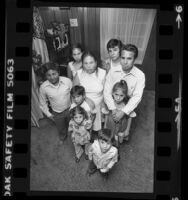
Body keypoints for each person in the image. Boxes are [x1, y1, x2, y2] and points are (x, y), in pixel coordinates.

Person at [104, 44, 145, 141]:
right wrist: (113, 108)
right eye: (123, 58)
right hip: (112, 103)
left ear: (134, 59)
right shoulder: (113, 71)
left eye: (129, 58)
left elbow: (137, 97)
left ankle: (121, 137)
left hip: (127, 106)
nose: (125, 62)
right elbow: (106, 91)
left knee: (122, 131)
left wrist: (123, 112)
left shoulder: (140, 75)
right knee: (110, 127)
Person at [39, 62, 72, 143]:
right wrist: (49, 114)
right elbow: (42, 103)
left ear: (58, 73)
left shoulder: (67, 81)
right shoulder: (43, 87)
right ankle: (62, 137)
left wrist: (74, 107)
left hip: (70, 109)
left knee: (72, 125)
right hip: (57, 113)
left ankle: (73, 137)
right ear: (45, 76)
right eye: (48, 75)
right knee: (61, 128)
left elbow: (73, 94)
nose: (52, 77)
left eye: (54, 74)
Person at [73, 51, 106, 132]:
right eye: (85, 63)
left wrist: (103, 104)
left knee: (97, 128)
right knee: (84, 129)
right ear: (82, 64)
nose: (88, 66)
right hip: (82, 104)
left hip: (99, 105)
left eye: (91, 62)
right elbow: (74, 92)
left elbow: (106, 91)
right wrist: (86, 100)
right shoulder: (79, 73)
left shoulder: (102, 73)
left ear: (96, 62)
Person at [105, 80, 135, 146]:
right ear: (112, 93)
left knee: (119, 142)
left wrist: (127, 130)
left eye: (121, 95)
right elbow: (106, 115)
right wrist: (105, 127)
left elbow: (130, 117)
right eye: (116, 94)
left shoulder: (127, 106)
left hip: (121, 128)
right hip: (110, 126)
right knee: (109, 140)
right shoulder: (110, 103)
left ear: (125, 95)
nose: (118, 98)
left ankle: (116, 149)